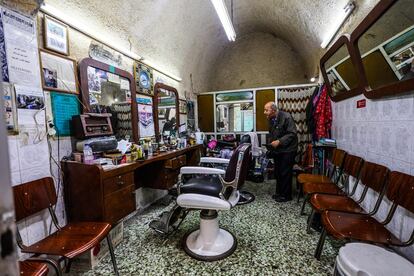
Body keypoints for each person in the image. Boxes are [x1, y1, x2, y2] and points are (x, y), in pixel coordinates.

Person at [264, 101, 298, 202]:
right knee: (278, 172)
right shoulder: (271, 119)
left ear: (273, 110)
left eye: (266, 110)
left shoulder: (286, 117)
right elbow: (272, 134)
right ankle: (279, 192)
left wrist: (279, 141)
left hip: (288, 149)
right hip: (279, 150)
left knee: (285, 172)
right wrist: (270, 146)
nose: (264, 112)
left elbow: (292, 134)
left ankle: (286, 196)